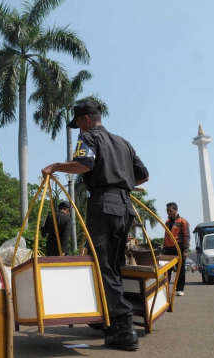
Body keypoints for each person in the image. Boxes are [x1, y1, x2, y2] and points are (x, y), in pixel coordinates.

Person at [41, 100, 149, 351]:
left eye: (78, 123)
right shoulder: (123, 142)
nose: (78, 129)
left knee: (102, 266)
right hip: (125, 207)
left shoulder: (89, 138)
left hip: (103, 205)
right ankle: (113, 322)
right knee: (114, 265)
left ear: (86, 120)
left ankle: (124, 327)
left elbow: (83, 165)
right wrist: (120, 179)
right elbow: (143, 175)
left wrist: (55, 166)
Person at [163, 202, 190, 297]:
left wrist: (186, 250)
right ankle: (165, 289)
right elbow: (166, 236)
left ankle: (180, 289)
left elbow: (187, 236)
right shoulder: (167, 222)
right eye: (167, 211)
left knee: (180, 269)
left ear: (176, 210)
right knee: (167, 269)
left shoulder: (183, 221)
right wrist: (164, 248)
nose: (168, 213)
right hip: (168, 249)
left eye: (170, 211)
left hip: (179, 248)